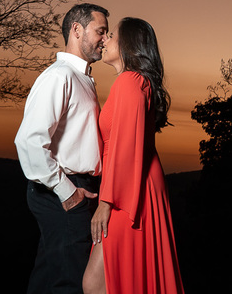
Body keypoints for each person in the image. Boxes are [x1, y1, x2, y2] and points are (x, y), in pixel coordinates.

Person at [83, 17, 185, 294]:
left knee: (95, 283)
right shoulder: (137, 82)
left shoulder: (130, 81)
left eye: (112, 36)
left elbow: (126, 147)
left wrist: (106, 202)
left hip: (128, 191)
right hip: (135, 185)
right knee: (107, 281)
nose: (105, 40)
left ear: (128, 45)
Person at [16, 3, 110, 294]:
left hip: (77, 188)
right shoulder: (59, 76)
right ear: (77, 30)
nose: (105, 39)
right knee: (69, 281)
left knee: (49, 276)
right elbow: (30, 141)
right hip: (63, 191)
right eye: (100, 31)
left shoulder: (82, 78)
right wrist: (68, 193)